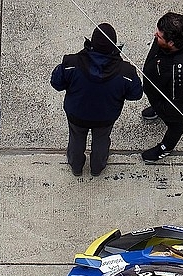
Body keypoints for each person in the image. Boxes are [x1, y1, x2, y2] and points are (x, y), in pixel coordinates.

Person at [50, 24, 143, 177]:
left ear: (91, 42)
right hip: (105, 117)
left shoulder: (71, 63)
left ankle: (76, 166)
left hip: (77, 114)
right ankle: (97, 168)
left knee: (76, 139)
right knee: (101, 140)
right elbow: (136, 94)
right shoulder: (126, 72)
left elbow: (56, 83)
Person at [140, 12, 183, 164]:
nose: (155, 34)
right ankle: (156, 108)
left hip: (175, 97)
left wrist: (162, 107)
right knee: (159, 95)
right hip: (162, 79)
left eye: (159, 36)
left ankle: (165, 147)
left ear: (171, 43)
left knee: (175, 122)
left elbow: (178, 107)